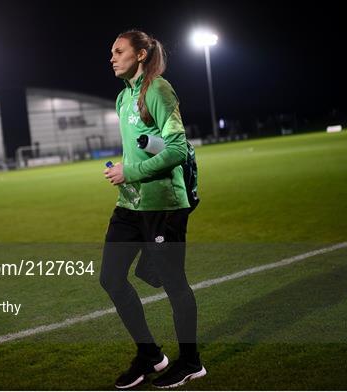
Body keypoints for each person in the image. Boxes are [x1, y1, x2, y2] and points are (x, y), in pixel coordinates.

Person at [101, 30, 206, 389]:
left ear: (141, 54)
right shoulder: (122, 98)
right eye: (111, 52)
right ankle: (150, 355)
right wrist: (127, 168)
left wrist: (129, 170)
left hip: (163, 204)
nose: (112, 57)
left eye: (119, 51)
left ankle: (191, 362)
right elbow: (146, 146)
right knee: (111, 277)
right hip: (130, 203)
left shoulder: (159, 89)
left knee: (174, 283)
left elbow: (177, 149)